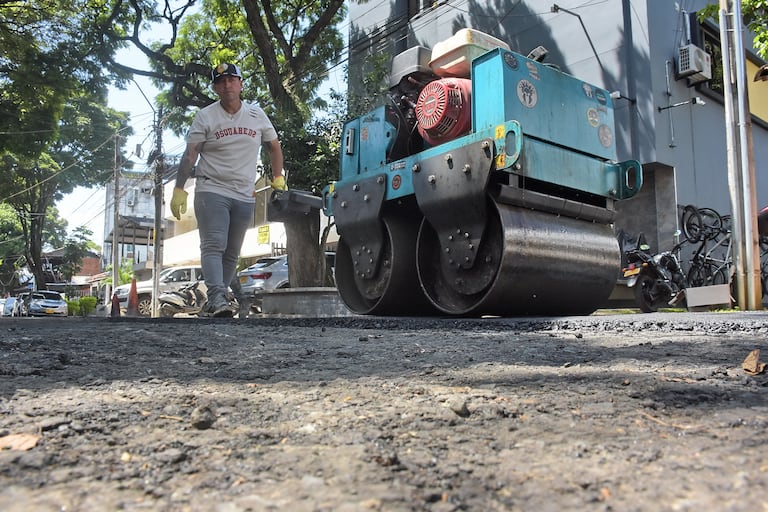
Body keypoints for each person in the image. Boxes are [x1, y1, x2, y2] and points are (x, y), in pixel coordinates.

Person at [170, 62, 286, 317]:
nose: (227, 85)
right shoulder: (206, 116)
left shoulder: (256, 114)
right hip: (212, 189)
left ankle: (218, 299)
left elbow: (274, 146)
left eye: (232, 80)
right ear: (215, 88)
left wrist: (278, 176)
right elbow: (191, 155)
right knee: (214, 245)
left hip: (244, 194)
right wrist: (179, 188)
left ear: (241, 84)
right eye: (221, 81)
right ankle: (216, 296)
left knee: (232, 252)